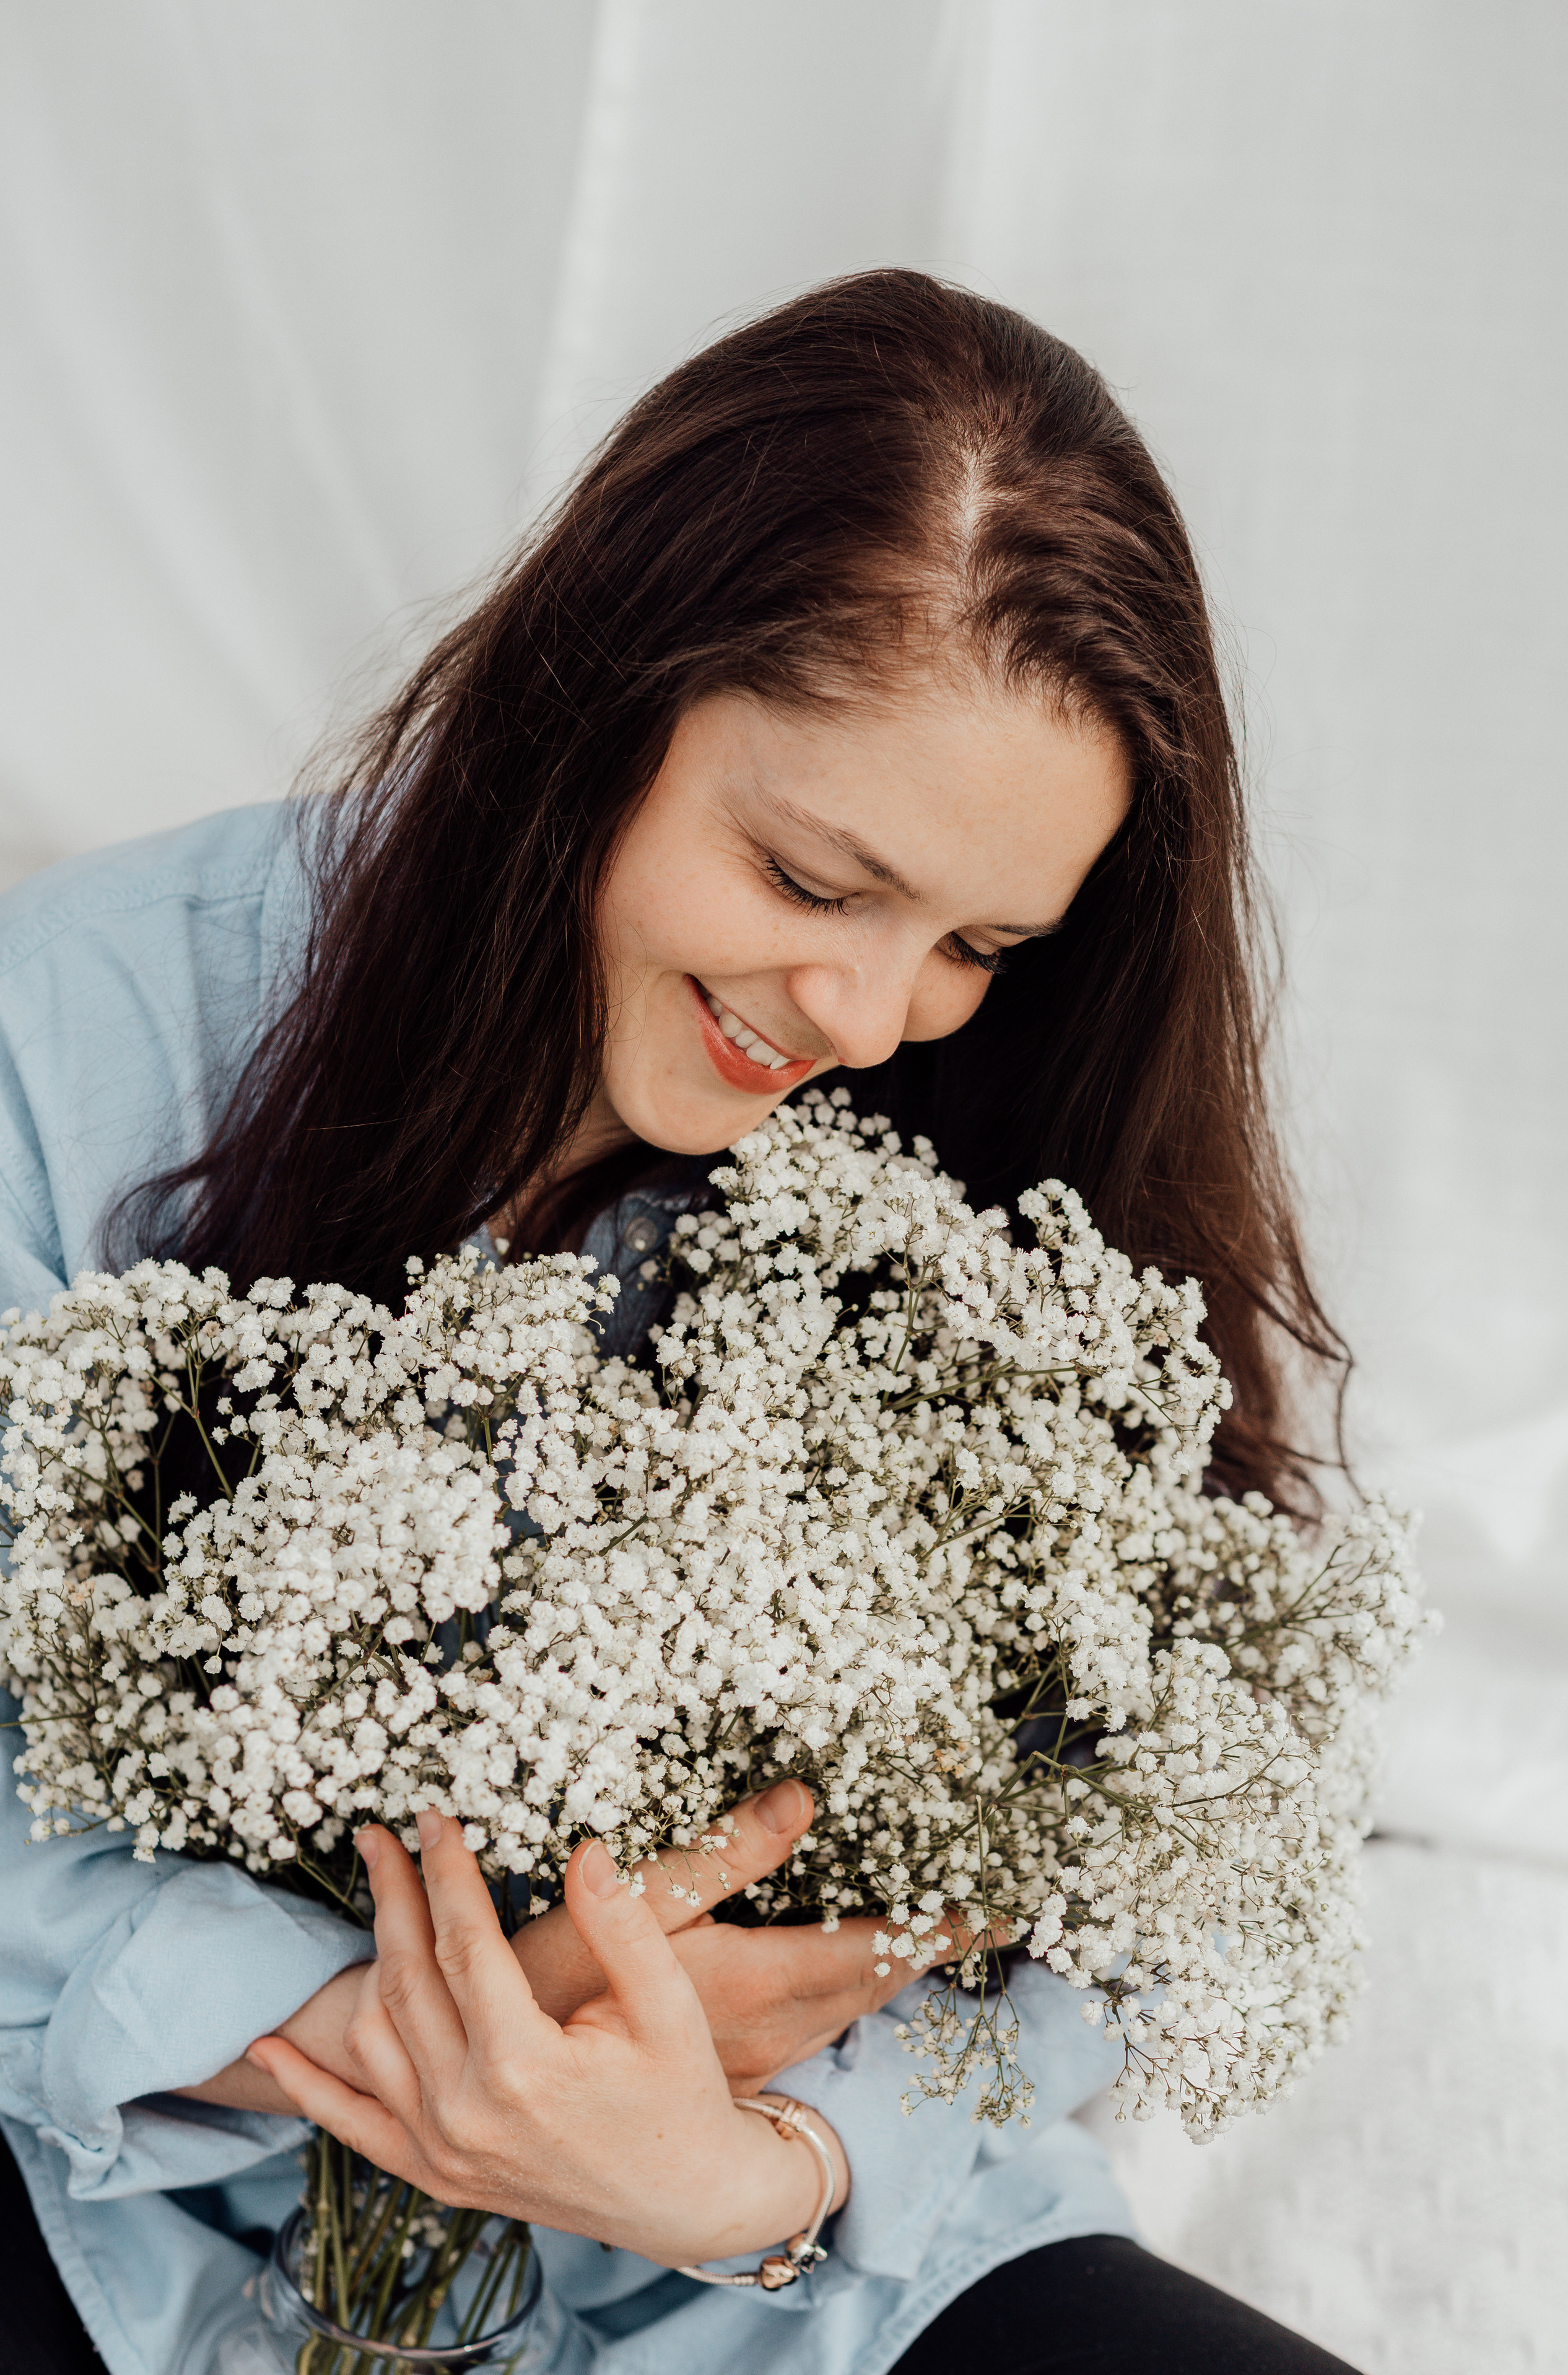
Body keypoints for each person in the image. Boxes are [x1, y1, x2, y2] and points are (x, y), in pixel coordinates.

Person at [0, 270, 1361, 2375]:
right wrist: (410, 2038)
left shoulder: (1004, 1146)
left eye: (979, 940)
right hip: (133, 2189)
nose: (871, 1014)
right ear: (595, 707)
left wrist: (769, 2173)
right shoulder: (83, 1036)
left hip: (773, 2272)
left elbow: (1106, 1860)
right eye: (816, 879)